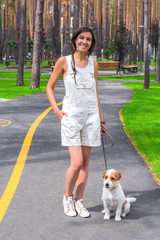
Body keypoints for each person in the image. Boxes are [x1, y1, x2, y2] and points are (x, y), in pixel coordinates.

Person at [47, 26, 105, 218]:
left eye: (88, 39)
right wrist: (56, 109)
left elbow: (94, 93)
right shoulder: (64, 61)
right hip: (71, 117)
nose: (84, 42)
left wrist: (101, 119)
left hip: (91, 117)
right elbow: (50, 86)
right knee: (77, 162)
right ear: (75, 40)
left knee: (86, 163)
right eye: (81, 38)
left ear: (91, 44)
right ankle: (67, 197)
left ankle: (80, 201)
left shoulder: (93, 64)